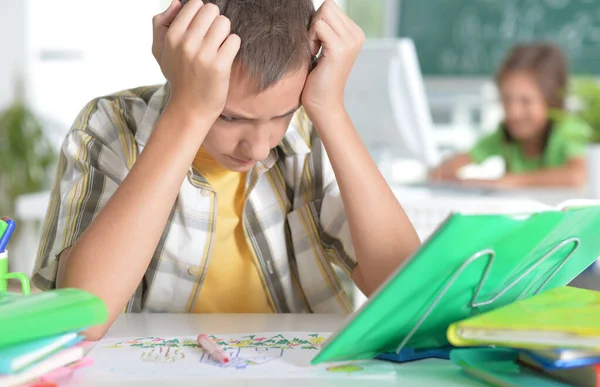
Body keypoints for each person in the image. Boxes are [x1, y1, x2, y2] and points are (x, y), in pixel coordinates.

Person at [32, 0, 420, 339]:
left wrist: (329, 108)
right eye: (229, 116)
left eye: (284, 114)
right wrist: (190, 110)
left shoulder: (311, 131)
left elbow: (413, 295)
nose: (259, 146)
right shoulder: (109, 126)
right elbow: (83, 318)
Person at [429, 43, 591, 188]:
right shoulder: (504, 135)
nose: (513, 113)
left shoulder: (568, 129)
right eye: (506, 99)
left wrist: (508, 181)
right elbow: (452, 165)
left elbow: (576, 176)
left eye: (526, 101)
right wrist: (445, 173)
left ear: (552, 101)